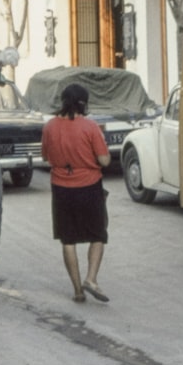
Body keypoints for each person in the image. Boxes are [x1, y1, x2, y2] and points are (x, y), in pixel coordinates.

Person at [41, 83, 111, 304]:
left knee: (68, 239)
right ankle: (91, 279)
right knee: (98, 235)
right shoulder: (90, 127)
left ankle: (77, 291)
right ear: (84, 102)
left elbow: (45, 157)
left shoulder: (50, 126)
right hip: (89, 186)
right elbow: (104, 160)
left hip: (61, 187)